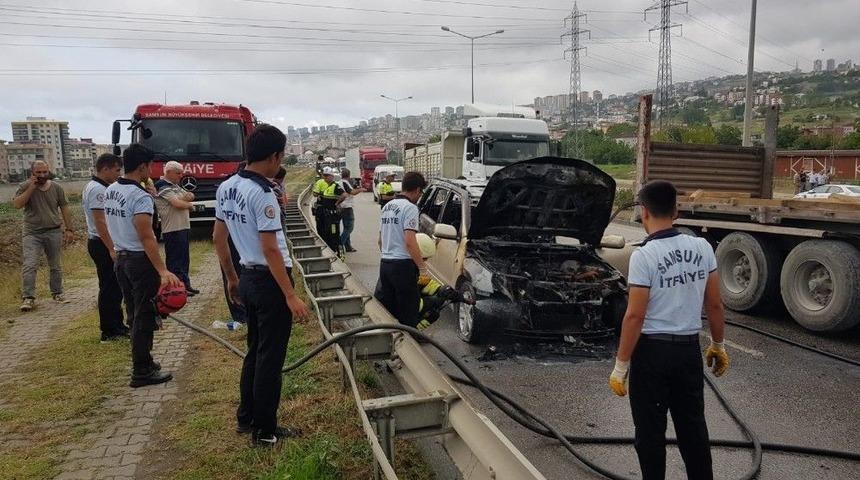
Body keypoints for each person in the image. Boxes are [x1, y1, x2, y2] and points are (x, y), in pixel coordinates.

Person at [608, 180, 729, 480]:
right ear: (676, 211)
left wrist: (621, 365)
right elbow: (715, 305)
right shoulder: (702, 247)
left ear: (644, 212)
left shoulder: (644, 255)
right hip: (688, 352)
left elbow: (635, 315)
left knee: (650, 432)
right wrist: (718, 345)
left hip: (652, 355)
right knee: (693, 429)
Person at [213, 124, 310, 447]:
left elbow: (218, 238)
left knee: (255, 351)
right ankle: (265, 431)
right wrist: (290, 295)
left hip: (247, 276)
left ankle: (246, 418)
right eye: (281, 157)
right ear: (274, 157)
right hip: (270, 283)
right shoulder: (263, 193)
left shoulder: (227, 186)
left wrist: (232, 278)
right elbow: (270, 249)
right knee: (270, 359)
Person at [105, 143, 182, 388]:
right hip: (139, 262)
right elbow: (147, 237)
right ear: (142, 167)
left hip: (122, 258)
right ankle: (141, 371)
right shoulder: (139, 197)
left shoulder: (112, 189)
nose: (152, 170)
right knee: (144, 316)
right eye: (150, 166)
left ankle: (145, 360)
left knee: (133, 313)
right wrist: (162, 270)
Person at [13, 160, 75, 312]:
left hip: (53, 231)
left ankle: (57, 293)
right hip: (32, 232)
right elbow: (17, 204)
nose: (42, 175)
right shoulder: (24, 186)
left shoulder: (56, 187)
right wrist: (31, 187)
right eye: (38, 172)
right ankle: (28, 297)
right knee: (30, 264)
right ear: (32, 173)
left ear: (48, 171)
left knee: (55, 265)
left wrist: (69, 229)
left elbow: (64, 207)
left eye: (44, 172)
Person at [82, 153, 129, 341]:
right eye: (117, 170)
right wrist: (111, 247)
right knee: (109, 287)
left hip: (103, 241)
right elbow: (100, 222)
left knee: (115, 287)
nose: (119, 174)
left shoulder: (99, 187)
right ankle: (109, 330)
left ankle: (118, 325)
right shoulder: (97, 190)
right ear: (105, 169)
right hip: (101, 243)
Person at [374, 171, 428, 328]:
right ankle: (409, 342)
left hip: (385, 264)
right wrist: (422, 268)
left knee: (389, 312)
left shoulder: (387, 207)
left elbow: (380, 240)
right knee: (408, 313)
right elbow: (410, 242)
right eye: (421, 193)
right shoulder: (410, 208)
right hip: (403, 267)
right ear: (417, 189)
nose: (420, 196)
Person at [154, 161, 199, 296]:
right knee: (175, 261)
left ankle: (185, 284)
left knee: (184, 259)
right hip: (172, 228)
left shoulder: (175, 186)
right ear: (168, 172)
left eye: (181, 173)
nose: (181, 176)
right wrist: (189, 205)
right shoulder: (162, 185)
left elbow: (190, 195)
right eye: (178, 173)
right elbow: (177, 203)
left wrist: (184, 199)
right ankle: (177, 288)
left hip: (183, 226)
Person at [413, 233, 468, 330]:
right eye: (424, 259)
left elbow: (425, 283)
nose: (425, 262)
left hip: (406, 308)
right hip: (397, 314)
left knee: (433, 314)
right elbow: (410, 304)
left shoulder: (411, 268)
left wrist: (442, 289)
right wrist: (434, 301)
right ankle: (413, 332)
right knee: (432, 315)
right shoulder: (404, 273)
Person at [317, 170, 347, 256]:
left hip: (333, 216)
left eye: (327, 176)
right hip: (327, 215)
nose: (325, 178)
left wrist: (337, 203)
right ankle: (332, 251)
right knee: (327, 234)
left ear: (332, 176)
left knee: (334, 234)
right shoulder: (328, 187)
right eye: (324, 176)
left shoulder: (335, 186)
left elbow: (344, 195)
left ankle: (338, 252)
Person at [338, 168, 364, 253]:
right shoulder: (345, 182)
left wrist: (356, 187)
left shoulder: (339, 182)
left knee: (346, 227)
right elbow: (352, 192)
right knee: (349, 228)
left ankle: (348, 246)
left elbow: (350, 189)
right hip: (347, 207)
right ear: (349, 175)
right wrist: (360, 190)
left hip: (342, 207)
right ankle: (339, 244)